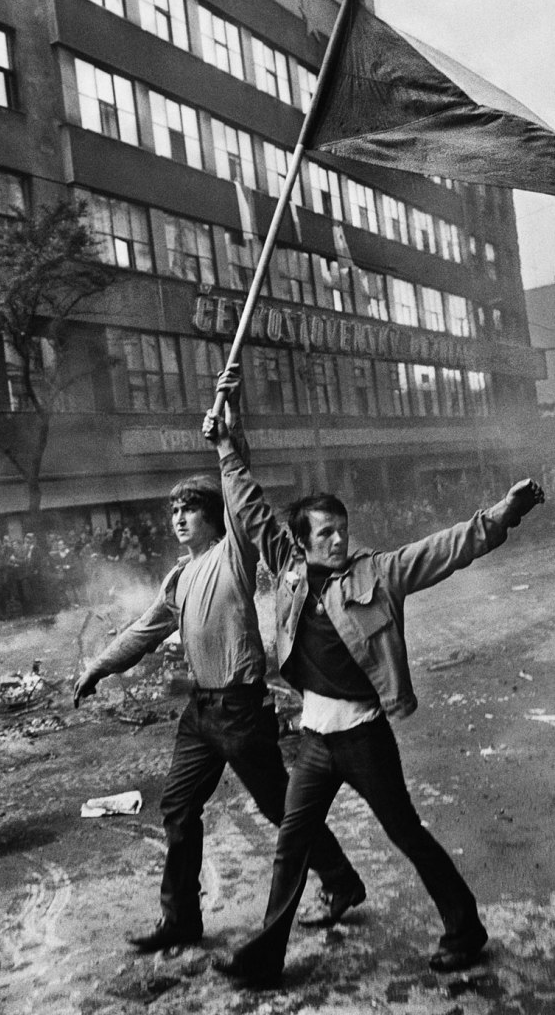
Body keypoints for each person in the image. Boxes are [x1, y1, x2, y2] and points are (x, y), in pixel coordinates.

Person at [204, 369, 545, 986]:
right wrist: (227, 448)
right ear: (302, 543)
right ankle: (266, 955)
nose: (338, 539)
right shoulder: (286, 566)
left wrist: (503, 513)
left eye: (342, 529)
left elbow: (448, 546)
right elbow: (251, 508)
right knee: (292, 841)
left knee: (405, 833)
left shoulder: (380, 572)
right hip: (313, 741)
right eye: (325, 533)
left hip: (363, 737)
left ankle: (464, 930)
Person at [73, 379, 362, 954]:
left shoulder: (233, 553)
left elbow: (241, 492)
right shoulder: (178, 578)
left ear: (212, 517)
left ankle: (340, 881)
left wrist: (229, 425)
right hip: (201, 713)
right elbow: (143, 632)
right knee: (178, 808)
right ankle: (180, 920)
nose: (180, 519)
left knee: (279, 806)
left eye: (191, 510)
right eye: (175, 511)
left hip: (240, 705)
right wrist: (99, 667)